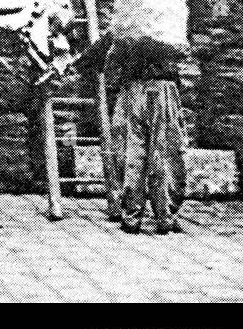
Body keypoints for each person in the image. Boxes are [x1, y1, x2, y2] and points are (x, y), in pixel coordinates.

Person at [76, 30, 187, 235]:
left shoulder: (129, 22)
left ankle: (133, 216)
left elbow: (103, 58)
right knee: (163, 152)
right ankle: (165, 215)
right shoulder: (163, 17)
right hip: (160, 88)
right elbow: (181, 50)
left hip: (135, 89)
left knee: (133, 152)